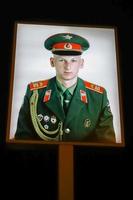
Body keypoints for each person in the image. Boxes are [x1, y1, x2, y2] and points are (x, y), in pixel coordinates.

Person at [15, 33, 116, 143]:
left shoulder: (98, 97)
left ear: (81, 63)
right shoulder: (34, 93)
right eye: (61, 60)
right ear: (52, 62)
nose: (68, 66)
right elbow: (23, 139)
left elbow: (106, 143)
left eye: (73, 60)